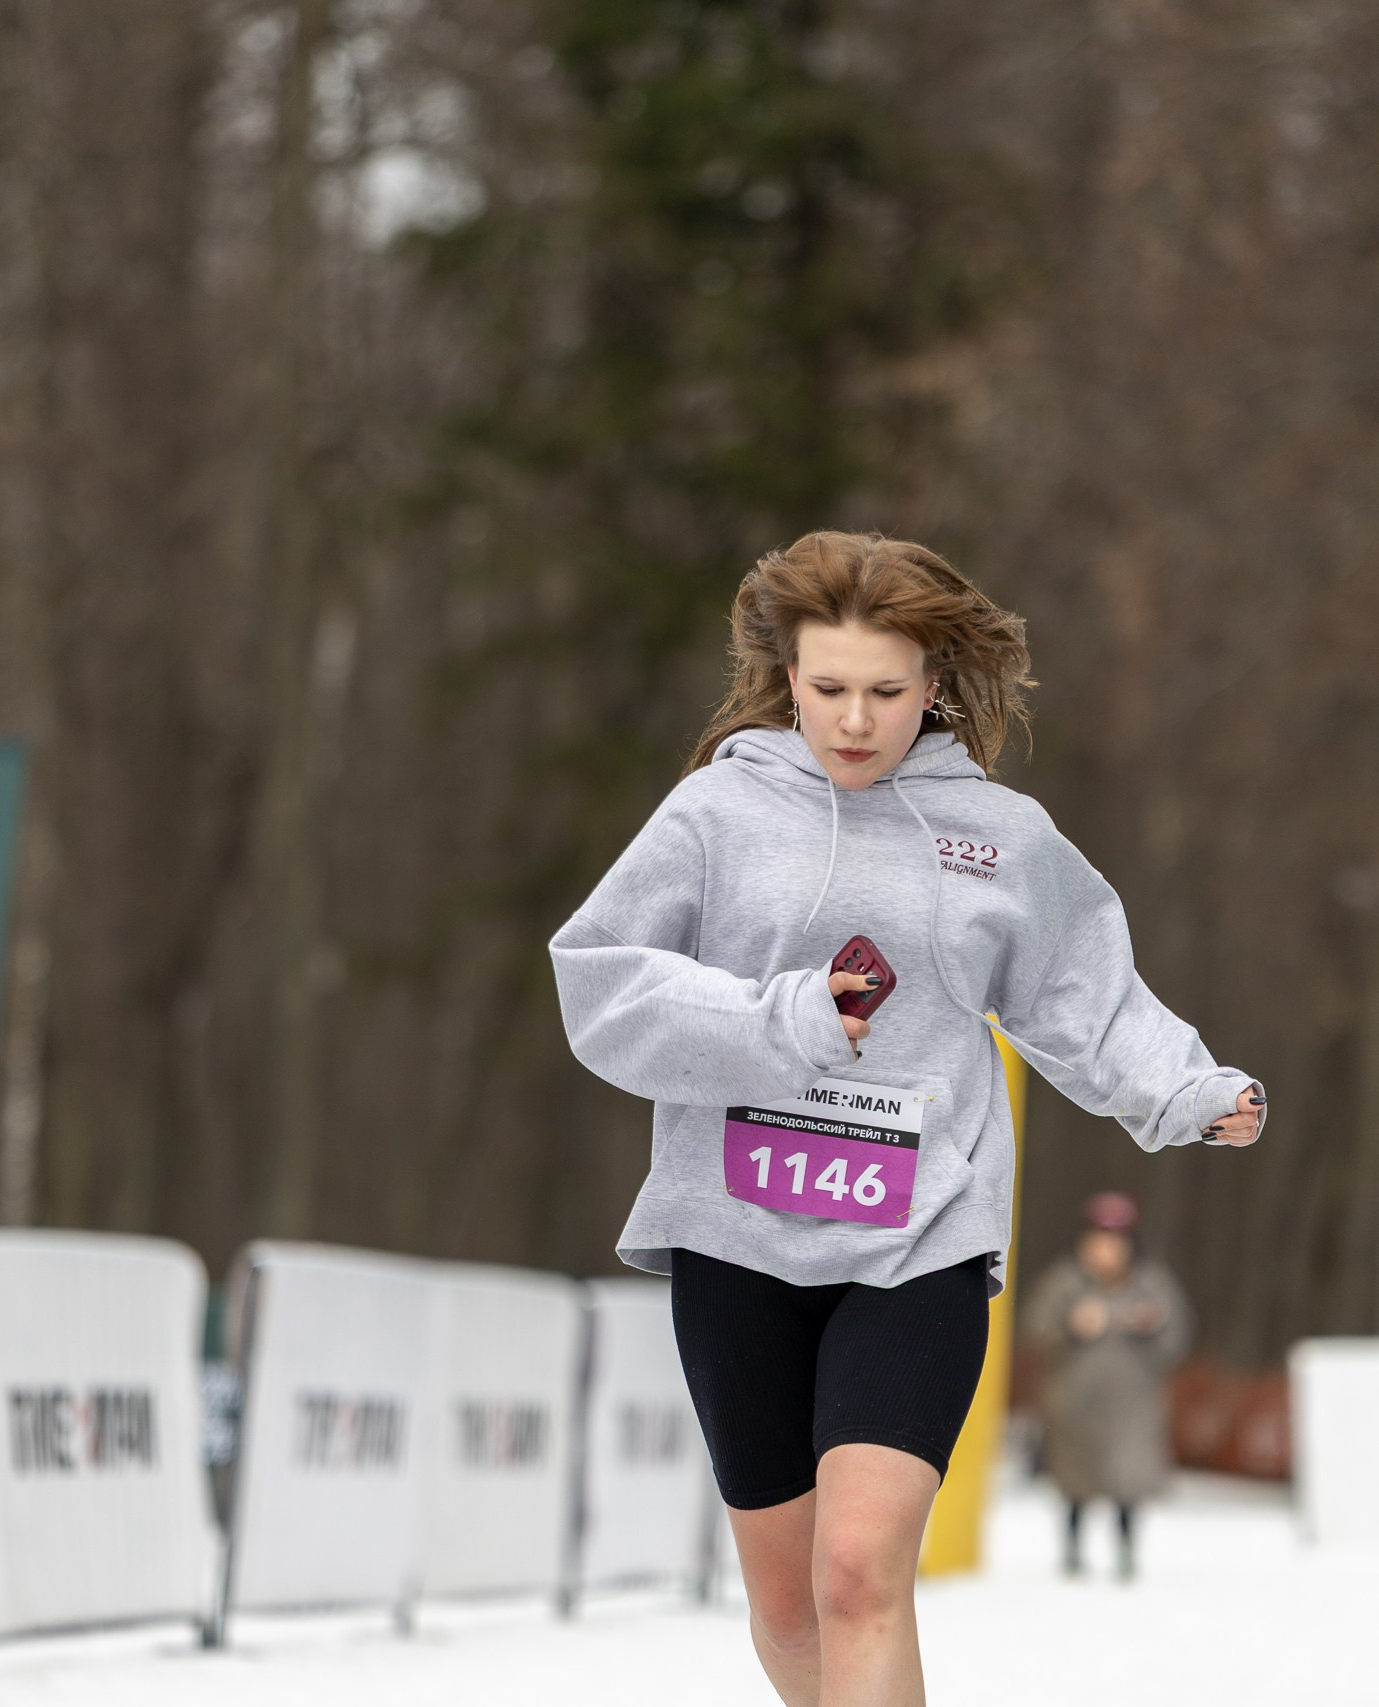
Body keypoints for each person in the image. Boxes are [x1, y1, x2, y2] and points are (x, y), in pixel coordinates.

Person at [551, 532, 1264, 1706]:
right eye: (828, 688)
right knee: (789, 1609)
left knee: (856, 1575)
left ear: (935, 686)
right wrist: (781, 1019)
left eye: (886, 692)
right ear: (787, 677)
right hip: (737, 1236)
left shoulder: (999, 837)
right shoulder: (718, 812)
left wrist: (1186, 1088)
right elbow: (603, 986)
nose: (853, 720)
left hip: (917, 1236)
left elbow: (1084, 995)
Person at [1023, 1190, 1191, 1582]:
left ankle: (1127, 1549)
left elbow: (1179, 1339)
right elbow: (1036, 1329)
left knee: (1128, 1479)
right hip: (1074, 1403)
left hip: (1133, 1405)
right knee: (1075, 1480)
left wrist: (1153, 1325)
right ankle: (1072, 1548)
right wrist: (1071, 1326)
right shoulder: (1064, 1282)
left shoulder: (1152, 1284)